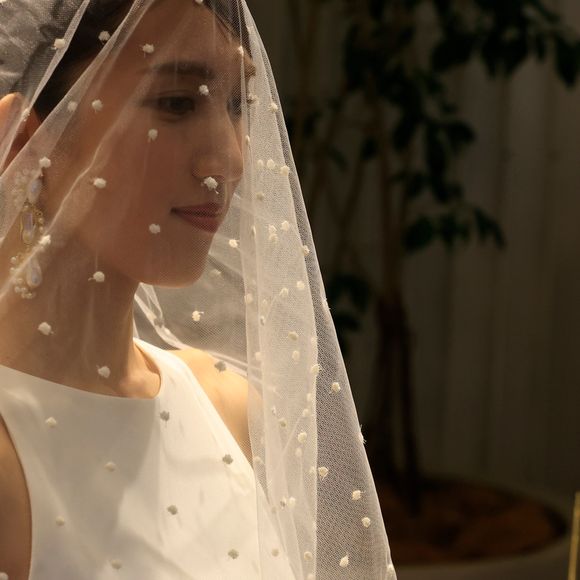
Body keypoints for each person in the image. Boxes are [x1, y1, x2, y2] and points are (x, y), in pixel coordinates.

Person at [0, 1, 397, 578]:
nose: (229, 160)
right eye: (177, 103)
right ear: (28, 140)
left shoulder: (229, 409)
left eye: (237, 105)